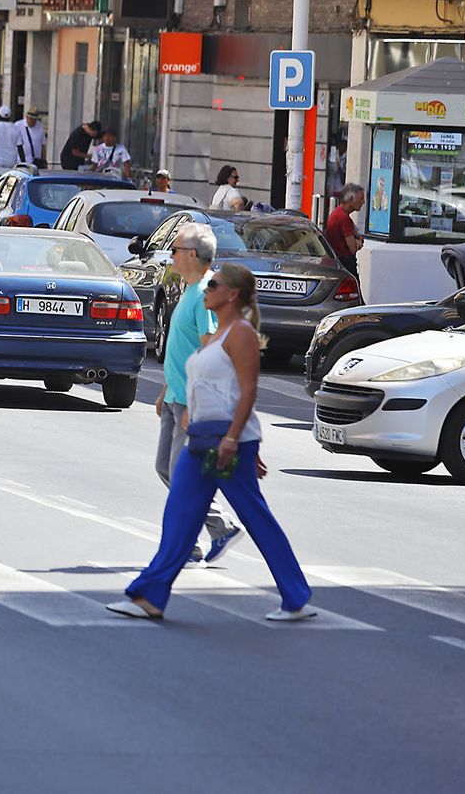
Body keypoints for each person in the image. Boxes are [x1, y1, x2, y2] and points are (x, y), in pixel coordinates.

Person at [109, 264, 316, 622]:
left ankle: (296, 597)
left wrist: (237, 440)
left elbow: (248, 391)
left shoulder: (241, 334)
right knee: (180, 515)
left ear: (232, 294)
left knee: (255, 517)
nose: (207, 289)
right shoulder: (217, 334)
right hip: (202, 437)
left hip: (225, 441)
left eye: (214, 285)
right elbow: (207, 385)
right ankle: (151, 597)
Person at [153, 225, 241, 564]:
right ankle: (220, 528)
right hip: (176, 397)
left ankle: (188, 545)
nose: (171, 255)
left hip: (192, 402)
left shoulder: (206, 292)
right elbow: (182, 350)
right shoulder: (191, 289)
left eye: (174, 249)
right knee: (166, 468)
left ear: (192, 254)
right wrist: (165, 389)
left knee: (181, 474)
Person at [326, 183, 366, 279]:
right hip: (345, 263)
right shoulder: (343, 218)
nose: (363, 202)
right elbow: (352, 248)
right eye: (361, 199)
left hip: (337, 262)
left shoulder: (337, 213)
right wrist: (359, 243)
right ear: (351, 199)